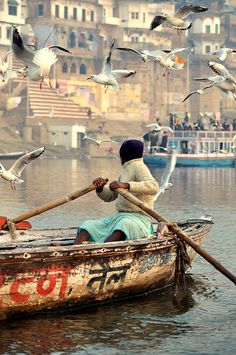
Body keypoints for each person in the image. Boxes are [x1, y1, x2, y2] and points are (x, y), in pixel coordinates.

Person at [74, 139, 159, 245]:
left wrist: (126, 185)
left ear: (123, 156)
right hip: (119, 217)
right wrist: (100, 188)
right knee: (88, 226)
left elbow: (153, 186)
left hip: (139, 220)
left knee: (124, 225)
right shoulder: (126, 170)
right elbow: (110, 196)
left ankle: (101, 250)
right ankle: (72, 252)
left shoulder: (140, 167)